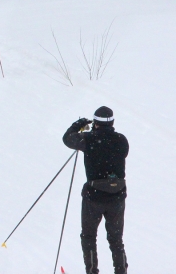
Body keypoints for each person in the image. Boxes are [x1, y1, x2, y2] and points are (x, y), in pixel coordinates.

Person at [63, 107, 129, 274]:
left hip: (94, 197)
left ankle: (92, 271)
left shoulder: (88, 139)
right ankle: (121, 271)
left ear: (95, 123)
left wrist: (79, 125)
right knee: (116, 240)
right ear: (112, 122)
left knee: (89, 237)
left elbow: (67, 139)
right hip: (117, 197)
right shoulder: (122, 140)